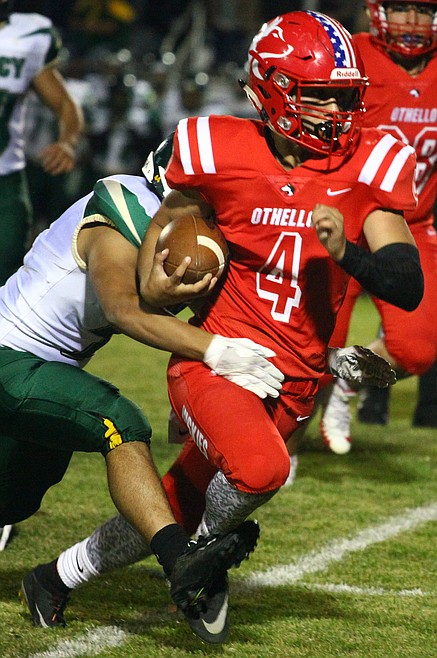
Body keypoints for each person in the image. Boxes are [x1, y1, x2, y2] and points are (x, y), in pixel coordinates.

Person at [20, 131, 397, 645]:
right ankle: (197, 558)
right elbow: (127, 310)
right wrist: (214, 350)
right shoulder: (135, 209)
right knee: (143, 436)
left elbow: (257, 327)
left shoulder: (212, 231)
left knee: (170, 505)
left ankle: (55, 578)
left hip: (106, 365)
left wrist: (328, 359)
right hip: (29, 353)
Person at [1, 170, 284, 637]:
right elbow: (122, 308)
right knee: (119, 422)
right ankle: (181, 564)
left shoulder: (188, 236)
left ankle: (42, 585)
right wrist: (214, 350)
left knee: (14, 498)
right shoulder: (124, 205)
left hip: (50, 372)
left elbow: (207, 321)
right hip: (10, 355)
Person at [319, 0, 437, 454]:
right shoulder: (351, 55)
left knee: (417, 351)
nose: (412, 21)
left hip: (410, 225)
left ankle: (347, 382)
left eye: (423, 10)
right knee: (312, 348)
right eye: (401, 8)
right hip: (344, 221)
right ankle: (282, 449)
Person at [0, 1, 84, 549]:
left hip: (3, 189)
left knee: (7, 333)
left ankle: (6, 483)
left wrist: (68, 141)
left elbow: (65, 106)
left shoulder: (30, 34)